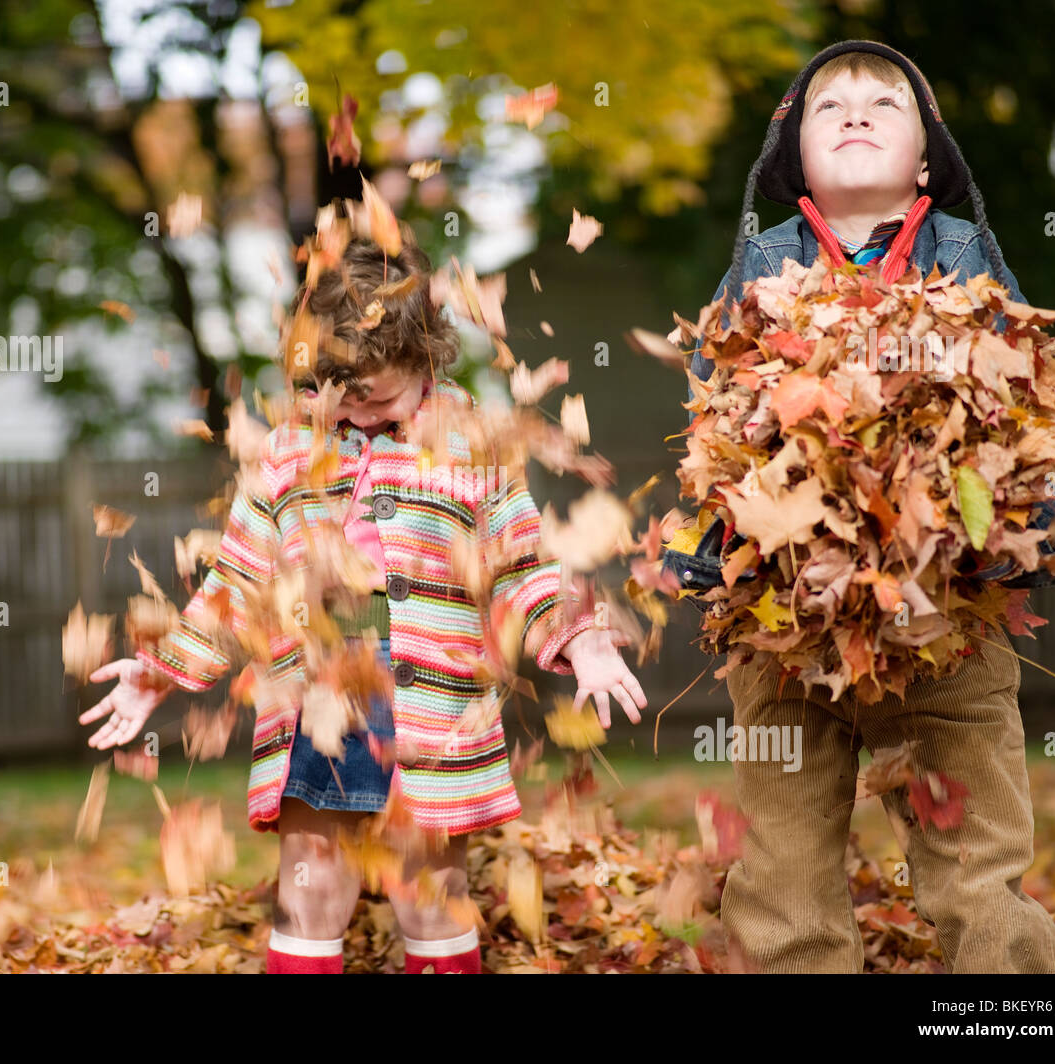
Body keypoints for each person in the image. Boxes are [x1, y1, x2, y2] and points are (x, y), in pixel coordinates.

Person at [82, 229, 647, 974]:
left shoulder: (473, 443)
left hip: (437, 708)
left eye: (374, 393)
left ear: (422, 356)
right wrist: (163, 669)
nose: (352, 411)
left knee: (428, 887)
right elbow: (234, 587)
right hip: (317, 700)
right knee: (311, 879)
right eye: (334, 391)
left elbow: (524, 566)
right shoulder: (287, 454)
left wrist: (585, 640)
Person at [665, 40, 1055, 973]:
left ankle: (1003, 995)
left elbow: (1022, 400)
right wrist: (708, 541)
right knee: (782, 847)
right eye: (830, 107)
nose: (856, 113)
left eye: (883, 104)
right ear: (795, 165)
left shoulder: (964, 254)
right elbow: (717, 409)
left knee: (975, 836)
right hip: (785, 611)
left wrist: (1053, 517)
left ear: (926, 161)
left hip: (943, 603)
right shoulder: (761, 262)